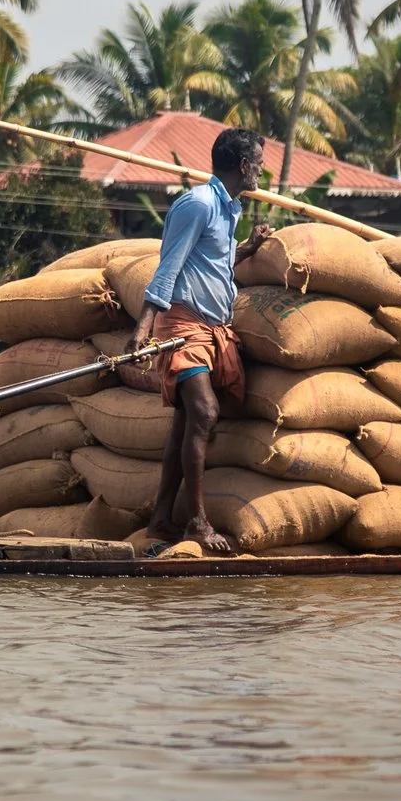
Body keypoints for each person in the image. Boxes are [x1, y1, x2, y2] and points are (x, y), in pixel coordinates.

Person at [130, 127, 273, 554]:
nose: (262, 172)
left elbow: (213, 262)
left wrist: (247, 249)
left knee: (187, 420)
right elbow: (169, 267)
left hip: (213, 327)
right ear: (243, 166)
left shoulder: (229, 210)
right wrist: (142, 329)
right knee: (206, 412)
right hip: (182, 325)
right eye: (259, 165)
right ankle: (196, 522)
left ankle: (161, 516)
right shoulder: (198, 204)